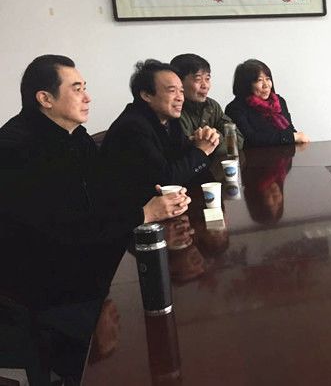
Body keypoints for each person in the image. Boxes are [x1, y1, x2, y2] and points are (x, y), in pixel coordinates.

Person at [0, 55, 189, 380]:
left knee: (176, 303)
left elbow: (108, 196)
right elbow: (65, 230)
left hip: (91, 269)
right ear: (45, 98)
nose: (87, 97)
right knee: (144, 344)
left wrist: (152, 198)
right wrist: (144, 213)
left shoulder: (74, 137)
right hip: (47, 291)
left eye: (85, 87)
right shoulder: (17, 149)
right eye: (77, 89)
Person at [100, 59, 219, 209]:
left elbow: (183, 163)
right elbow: (165, 180)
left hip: (171, 205)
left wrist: (203, 143)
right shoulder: (132, 127)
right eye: (172, 91)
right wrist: (201, 151)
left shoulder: (168, 120)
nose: (180, 97)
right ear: (146, 95)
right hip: (133, 213)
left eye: (181, 91)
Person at [170, 53, 244, 155]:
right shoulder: (174, 110)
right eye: (198, 79)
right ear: (179, 82)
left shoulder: (212, 106)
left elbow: (237, 141)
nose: (205, 85)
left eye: (207, 79)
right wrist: (214, 140)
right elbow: (185, 151)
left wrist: (215, 137)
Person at [225, 59, 310, 147]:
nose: (266, 85)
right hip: (254, 155)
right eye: (259, 80)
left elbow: (290, 130)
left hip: (284, 154)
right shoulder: (235, 109)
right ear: (246, 84)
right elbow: (251, 139)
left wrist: (298, 138)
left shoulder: (278, 101)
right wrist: (292, 137)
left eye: (268, 79)